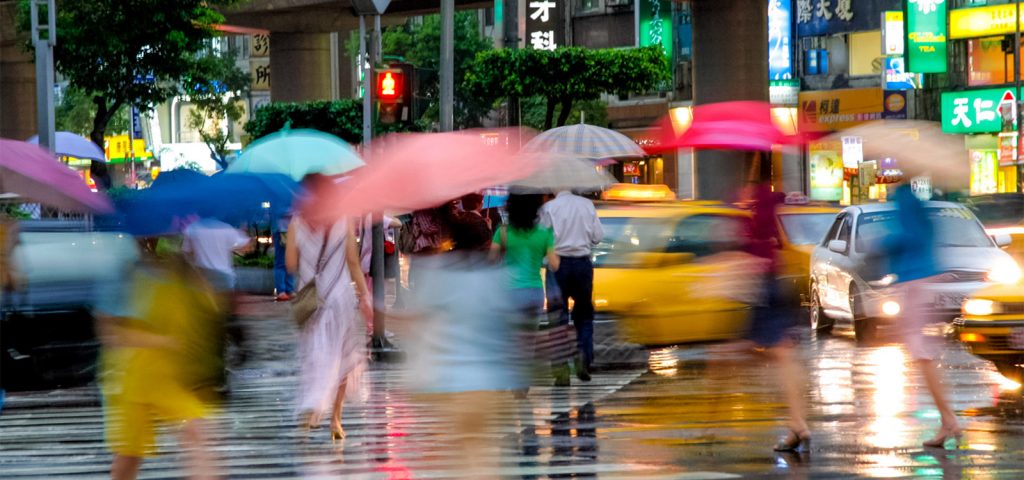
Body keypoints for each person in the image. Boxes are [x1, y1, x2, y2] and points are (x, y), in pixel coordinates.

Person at [96, 248, 223, 480]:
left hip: (170, 377)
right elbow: (111, 334)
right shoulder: (124, 273)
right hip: (129, 380)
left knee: (196, 431)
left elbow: (207, 306)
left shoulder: (177, 266)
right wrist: (164, 340)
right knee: (129, 455)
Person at [286, 174, 372, 440]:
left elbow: (290, 264)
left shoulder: (296, 223)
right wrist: (365, 297)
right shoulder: (343, 220)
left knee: (316, 356)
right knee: (344, 361)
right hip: (340, 301)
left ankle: (313, 406)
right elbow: (353, 263)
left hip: (311, 302)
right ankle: (335, 419)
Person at [883, 184, 961, 449]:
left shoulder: (904, 199)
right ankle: (947, 419)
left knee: (922, 355)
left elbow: (908, 238)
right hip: (925, 281)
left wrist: (884, 245)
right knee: (924, 355)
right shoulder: (918, 202)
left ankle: (948, 419)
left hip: (914, 284)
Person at [742, 184, 811, 452]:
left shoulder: (757, 208)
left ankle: (797, 422)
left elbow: (753, 251)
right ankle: (797, 423)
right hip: (772, 283)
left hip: (763, 286)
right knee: (779, 354)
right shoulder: (766, 208)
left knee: (755, 353)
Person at [490, 194, 559, 396]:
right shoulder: (545, 233)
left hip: (507, 293)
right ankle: (521, 383)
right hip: (534, 293)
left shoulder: (502, 232)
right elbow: (555, 265)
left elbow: (491, 260)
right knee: (528, 341)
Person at [540, 190, 604, 383]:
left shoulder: (549, 208)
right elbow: (598, 236)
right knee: (584, 314)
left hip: (557, 265)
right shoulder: (587, 205)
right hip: (582, 264)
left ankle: (561, 370)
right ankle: (584, 356)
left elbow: (543, 237)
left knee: (557, 318)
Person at [272, 215, 296, 302]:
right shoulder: (281, 201)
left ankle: (289, 290)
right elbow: (280, 211)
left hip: (290, 229)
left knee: (291, 261)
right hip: (282, 230)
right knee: (281, 262)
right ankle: (281, 291)